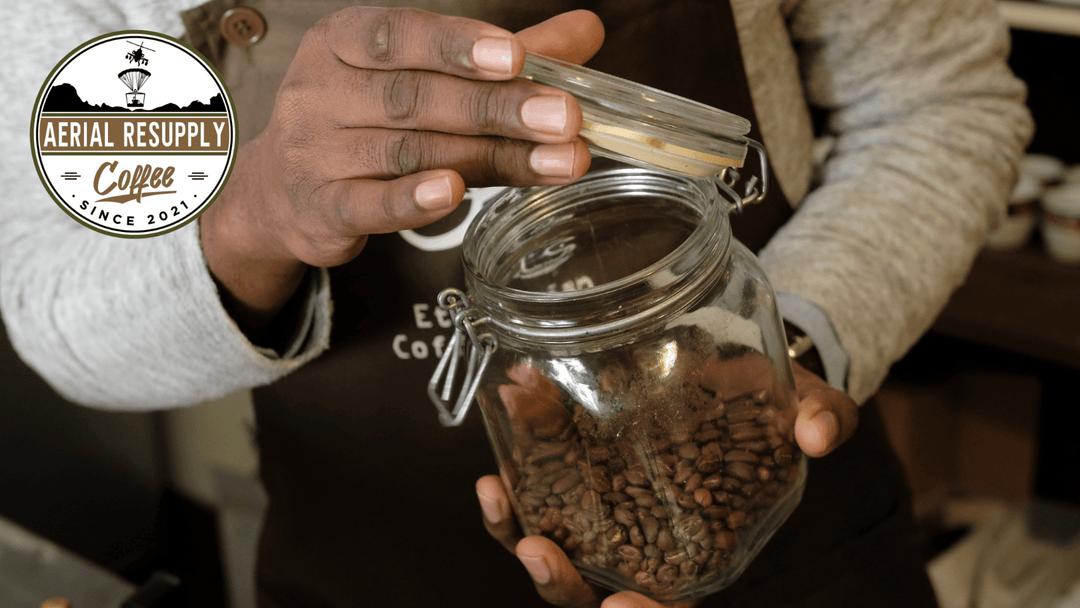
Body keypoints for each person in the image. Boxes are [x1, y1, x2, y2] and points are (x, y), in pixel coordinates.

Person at [0, 0, 1032, 607]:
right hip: (369, 566)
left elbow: (939, 102)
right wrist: (254, 218)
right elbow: (60, 303)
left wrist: (783, 343)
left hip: (793, 546)